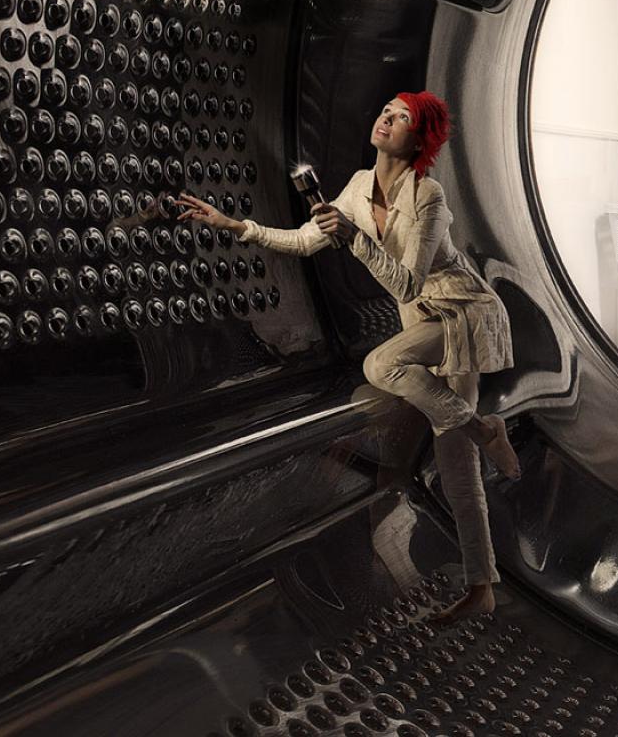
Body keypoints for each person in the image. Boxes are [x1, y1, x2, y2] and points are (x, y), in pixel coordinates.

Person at [175, 92, 520, 623]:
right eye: (386, 110)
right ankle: (483, 586)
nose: (387, 119)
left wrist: (355, 237)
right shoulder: (359, 186)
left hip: (464, 313)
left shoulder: (428, 196)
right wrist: (234, 226)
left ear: (419, 139)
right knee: (457, 466)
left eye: (402, 118)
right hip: (425, 324)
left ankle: (481, 432)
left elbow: (407, 284)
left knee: (382, 368)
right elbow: (302, 241)